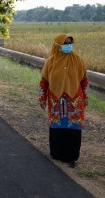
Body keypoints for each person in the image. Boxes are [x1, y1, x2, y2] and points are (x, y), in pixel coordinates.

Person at [39, 34, 89, 168]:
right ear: (57, 45)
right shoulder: (50, 61)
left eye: (70, 43)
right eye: (65, 43)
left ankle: (72, 157)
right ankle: (56, 153)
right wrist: (42, 98)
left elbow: (84, 80)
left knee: (73, 128)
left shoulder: (78, 60)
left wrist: (86, 96)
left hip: (74, 101)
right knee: (57, 127)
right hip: (56, 101)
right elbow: (44, 81)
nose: (68, 46)